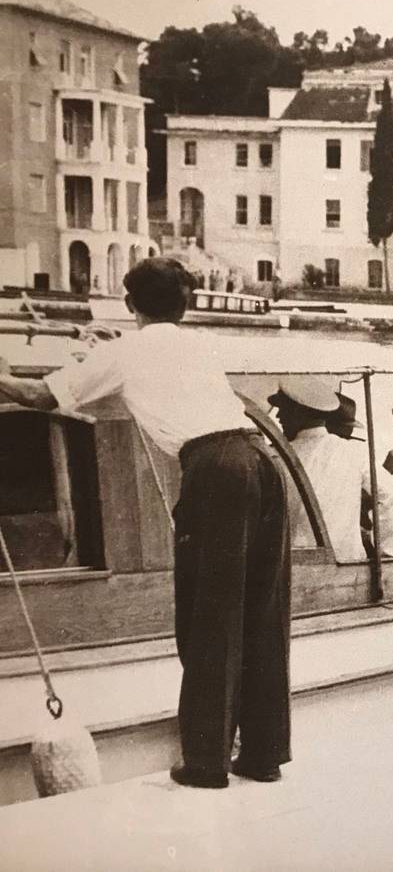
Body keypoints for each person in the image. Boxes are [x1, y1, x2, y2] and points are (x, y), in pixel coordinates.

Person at [0, 257, 291, 789]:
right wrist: (106, 352)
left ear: (130, 303)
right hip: (261, 461)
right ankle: (263, 757)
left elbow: (45, 396)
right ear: (184, 305)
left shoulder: (124, 351)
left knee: (210, 614)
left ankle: (205, 764)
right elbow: (158, 371)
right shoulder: (195, 344)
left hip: (214, 471)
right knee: (260, 612)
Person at [269, 380, 393, 563]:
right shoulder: (354, 452)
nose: (278, 416)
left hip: (291, 566)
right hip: (346, 563)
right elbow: (390, 499)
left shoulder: (275, 456)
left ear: (299, 412)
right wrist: (387, 553)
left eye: (284, 409)